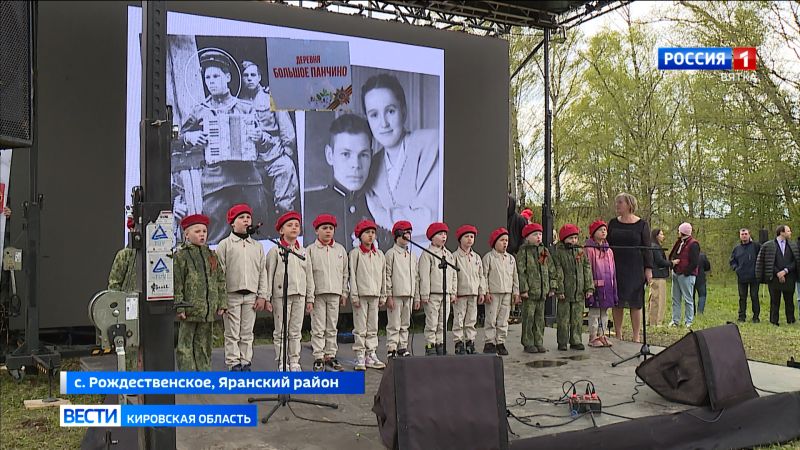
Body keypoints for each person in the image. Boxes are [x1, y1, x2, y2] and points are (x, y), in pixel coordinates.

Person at [175, 50, 270, 244]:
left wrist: (259, 137)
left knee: (257, 224)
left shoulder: (245, 107)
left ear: (227, 77)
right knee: (214, 230)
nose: (211, 81)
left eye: (216, 76)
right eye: (207, 77)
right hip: (215, 179)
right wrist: (190, 137)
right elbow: (177, 139)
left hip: (246, 177)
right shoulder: (200, 110)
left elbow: (266, 141)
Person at [362, 74, 439, 242]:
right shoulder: (371, 164)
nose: (383, 123)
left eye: (390, 111)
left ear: (403, 112)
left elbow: (429, 218)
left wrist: (382, 215)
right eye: (374, 115)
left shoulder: (432, 144)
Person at [304, 113, 392, 251]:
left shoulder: (383, 204)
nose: (356, 164)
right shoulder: (307, 207)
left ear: (371, 154)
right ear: (330, 155)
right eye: (346, 154)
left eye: (363, 155)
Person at [238, 60, 299, 222]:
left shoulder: (271, 98)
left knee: (285, 205)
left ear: (259, 77)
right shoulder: (238, 103)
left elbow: (286, 128)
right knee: (256, 209)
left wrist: (287, 154)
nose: (249, 78)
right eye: (246, 76)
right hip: (252, 163)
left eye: (253, 75)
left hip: (275, 157)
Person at [216, 204, 268, 372]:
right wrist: (221, 299)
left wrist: (262, 296)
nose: (246, 220)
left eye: (248, 217)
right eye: (241, 218)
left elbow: (262, 272)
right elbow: (220, 274)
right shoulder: (225, 245)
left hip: (251, 295)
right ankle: (233, 362)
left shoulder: (257, 246)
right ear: (232, 223)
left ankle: (246, 361)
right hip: (232, 295)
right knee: (232, 332)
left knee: (247, 332)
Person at [174, 214, 227, 371]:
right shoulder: (181, 256)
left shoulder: (211, 255)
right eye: (197, 231)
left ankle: (204, 373)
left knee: (204, 343)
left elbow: (220, 279)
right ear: (187, 234)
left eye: (204, 231)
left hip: (207, 309)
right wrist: (179, 306)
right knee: (185, 345)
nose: (202, 234)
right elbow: (177, 283)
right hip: (190, 308)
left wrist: (221, 302)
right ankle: (188, 376)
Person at [266, 211, 315, 371]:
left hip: (299, 295)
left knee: (295, 331)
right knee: (281, 330)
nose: (294, 228)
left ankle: (294, 360)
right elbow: (269, 274)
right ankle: (282, 361)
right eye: (289, 225)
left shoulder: (303, 251)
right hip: (281, 296)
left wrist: (310, 298)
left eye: (296, 225)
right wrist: (267, 297)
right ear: (281, 230)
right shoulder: (275, 251)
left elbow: (309, 276)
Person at [607, 193, 652, 343]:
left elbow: (647, 248)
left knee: (635, 302)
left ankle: (636, 336)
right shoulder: (613, 223)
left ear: (629, 204)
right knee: (617, 301)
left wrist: (648, 269)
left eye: (620, 202)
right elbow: (607, 245)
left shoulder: (642, 224)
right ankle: (618, 333)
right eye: (617, 202)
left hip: (635, 267)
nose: (617, 205)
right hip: (616, 266)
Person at [306, 214, 348, 372]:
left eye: (331, 228)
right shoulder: (310, 250)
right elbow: (309, 275)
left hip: (335, 293)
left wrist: (344, 292)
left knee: (332, 326)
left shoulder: (340, 250)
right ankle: (318, 356)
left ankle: (330, 355)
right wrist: (310, 297)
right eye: (324, 228)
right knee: (318, 326)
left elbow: (345, 273)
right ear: (317, 231)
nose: (328, 231)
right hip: (318, 294)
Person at [349, 219, 387, 370]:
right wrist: (354, 295)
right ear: (360, 236)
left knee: (373, 326)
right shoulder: (355, 254)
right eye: (367, 233)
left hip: (375, 295)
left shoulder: (379, 255)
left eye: (373, 233)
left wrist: (383, 294)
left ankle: (371, 354)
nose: (370, 236)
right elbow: (352, 275)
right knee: (360, 327)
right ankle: (360, 355)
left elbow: (383, 276)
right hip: (361, 295)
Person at [418, 222, 457, 356]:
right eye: (440, 234)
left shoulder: (449, 255)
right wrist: (424, 293)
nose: (443, 237)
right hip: (433, 294)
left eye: (445, 234)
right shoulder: (427, 254)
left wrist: (453, 291)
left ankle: (440, 343)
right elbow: (423, 275)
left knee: (442, 322)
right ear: (432, 237)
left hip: (445, 293)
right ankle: (430, 344)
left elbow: (453, 275)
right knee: (432, 321)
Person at [516, 223, 556, 353]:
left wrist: (552, 286)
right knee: (529, 318)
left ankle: (539, 341)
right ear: (527, 237)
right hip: (530, 292)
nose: (538, 237)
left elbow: (551, 269)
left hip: (542, 291)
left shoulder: (544, 251)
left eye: (540, 234)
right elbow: (521, 271)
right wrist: (524, 289)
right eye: (535, 235)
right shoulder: (523, 252)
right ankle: (528, 342)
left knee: (540, 319)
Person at [552, 224, 593, 351]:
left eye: (575, 238)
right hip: (565, 292)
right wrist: (559, 289)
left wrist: (589, 287)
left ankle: (576, 340)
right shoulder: (558, 253)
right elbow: (557, 271)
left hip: (579, 291)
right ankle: (562, 341)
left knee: (577, 318)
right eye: (571, 238)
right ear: (564, 239)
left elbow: (586, 269)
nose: (574, 241)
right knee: (563, 319)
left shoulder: (580, 252)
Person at [482, 228, 521, 356]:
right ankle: (489, 342)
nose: (505, 243)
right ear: (495, 242)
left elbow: (515, 276)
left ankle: (500, 342)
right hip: (493, 293)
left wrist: (516, 292)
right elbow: (484, 276)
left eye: (507, 241)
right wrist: (485, 291)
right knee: (491, 318)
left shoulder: (510, 259)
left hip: (507, 293)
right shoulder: (488, 258)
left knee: (503, 319)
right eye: (502, 240)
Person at [384, 220, 418, 359]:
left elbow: (416, 276)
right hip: (396, 294)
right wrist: (389, 295)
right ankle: (391, 347)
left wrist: (416, 296)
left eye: (409, 233)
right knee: (394, 324)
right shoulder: (391, 254)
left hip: (408, 294)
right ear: (397, 234)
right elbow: (387, 275)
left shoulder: (412, 256)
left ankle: (402, 347)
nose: (408, 236)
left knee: (405, 323)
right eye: (405, 233)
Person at [755, 225, 798, 326]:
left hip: (789, 277)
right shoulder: (768, 245)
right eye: (788, 231)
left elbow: (795, 261)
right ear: (782, 232)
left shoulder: (793, 245)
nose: (790, 232)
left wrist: (785, 271)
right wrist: (778, 272)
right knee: (775, 300)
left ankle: (791, 320)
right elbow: (766, 261)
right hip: (774, 277)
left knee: (789, 300)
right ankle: (774, 321)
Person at [452, 224, 486, 355]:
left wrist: (481, 291)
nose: (469, 239)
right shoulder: (454, 256)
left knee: (471, 319)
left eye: (472, 237)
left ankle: (470, 342)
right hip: (460, 293)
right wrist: (453, 292)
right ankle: (458, 342)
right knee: (459, 319)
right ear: (460, 239)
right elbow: (453, 276)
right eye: (466, 236)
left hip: (473, 293)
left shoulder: (476, 257)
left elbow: (481, 275)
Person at [584, 220, 617, 348]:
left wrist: (613, 287)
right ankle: (593, 336)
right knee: (595, 312)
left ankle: (602, 334)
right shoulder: (589, 249)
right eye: (600, 230)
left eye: (605, 229)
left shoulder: (609, 251)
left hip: (608, 286)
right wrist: (590, 285)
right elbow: (587, 268)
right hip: (595, 286)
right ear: (593, 233)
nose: (603, 232)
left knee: (604, 312)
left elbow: (612, 270)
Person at [668, 222, 700, 328]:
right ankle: (675, 320)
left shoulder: (694, 244)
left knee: (688, 299)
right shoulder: (679, 242)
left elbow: (694, 262)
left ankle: (688, 321)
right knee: (675, 298)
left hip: (687, 275)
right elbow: (673, 254)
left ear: (682, 232)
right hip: (676, 273)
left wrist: (686, 272)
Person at [730, 228, 761, 323]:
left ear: (749, 234)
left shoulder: (756, 246)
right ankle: (741, 317)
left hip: (754, 276)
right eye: (742, 234)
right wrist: (736, 268)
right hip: (742, 276)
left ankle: (756, 317)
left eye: (746, 234)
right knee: (742, 297)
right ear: (740, 236)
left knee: (754, 296)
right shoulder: (737, 248)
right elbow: (732, 261)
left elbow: (762, 257)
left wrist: (759, 270)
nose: (744, 236)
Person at [648, 228, 672, 327]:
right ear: (656, 235)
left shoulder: (651, 246)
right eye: (661, 234)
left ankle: (651, 321)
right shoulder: (656, 247)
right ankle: (658, 322)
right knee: (660, 300)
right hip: (659, 276)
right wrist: (671, 263)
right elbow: (660, 261)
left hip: (653, 276)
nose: (663, 236)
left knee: (653, 299)